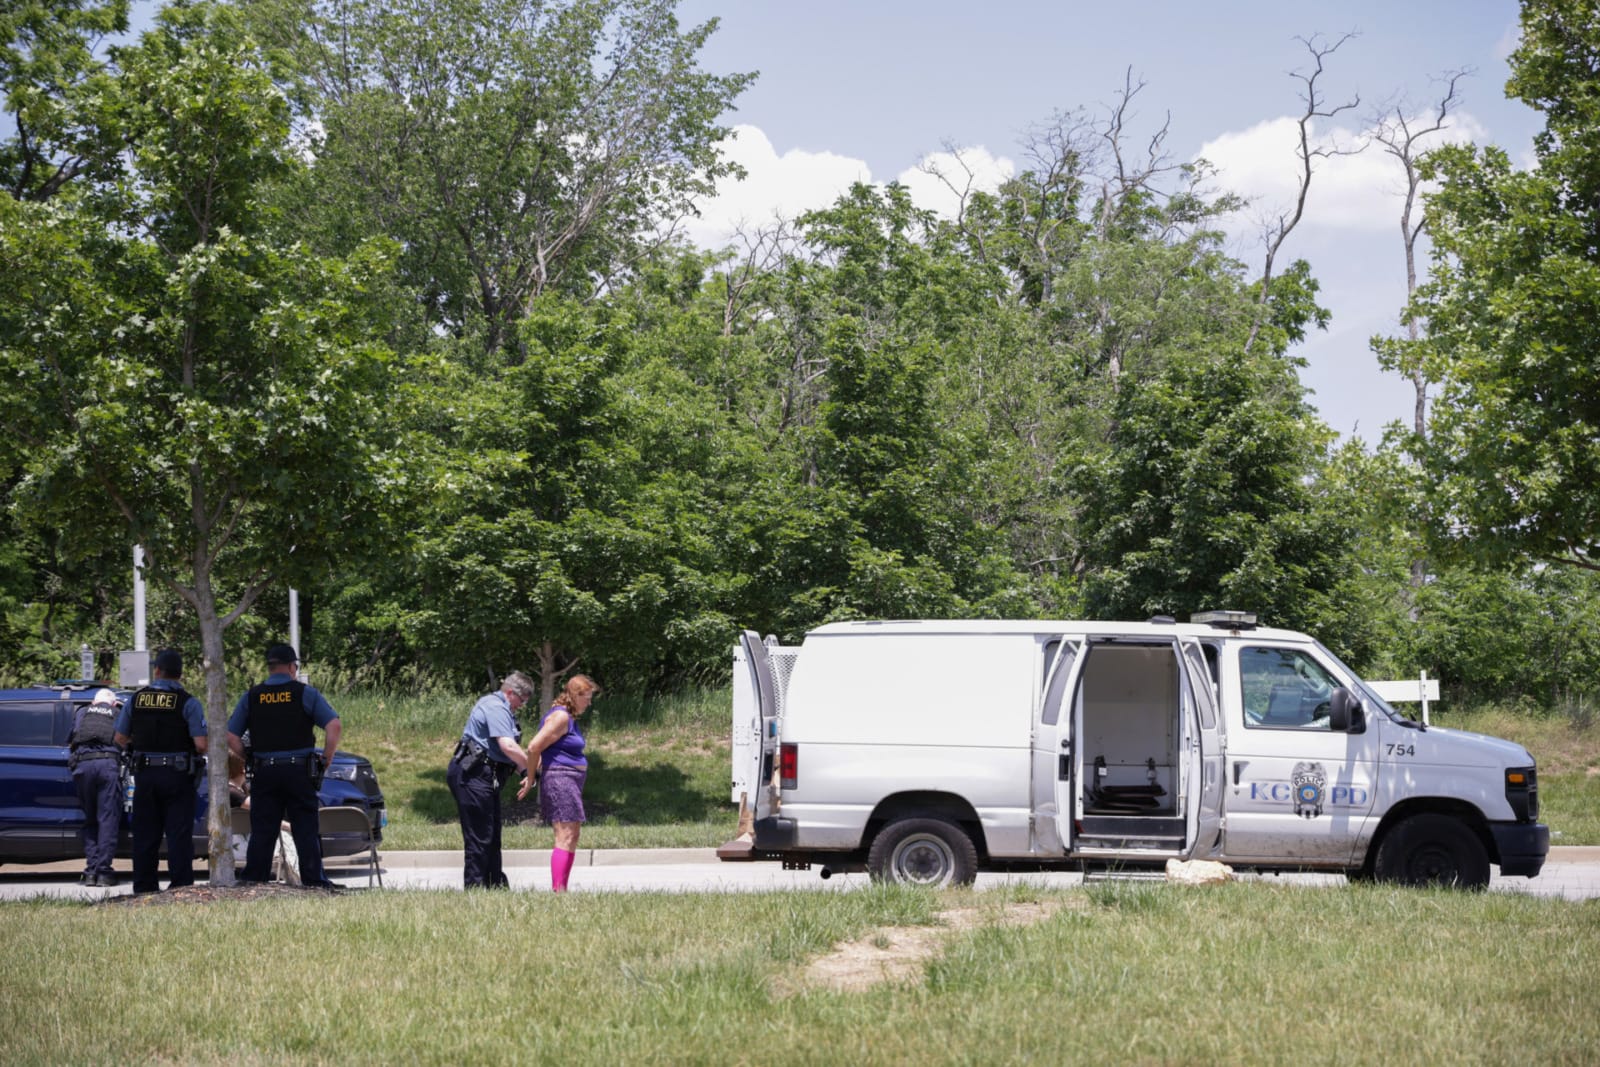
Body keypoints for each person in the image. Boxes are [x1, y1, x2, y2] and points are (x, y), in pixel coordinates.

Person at [226, 643, 341, 889]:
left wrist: (248, 757)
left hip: (265, 770)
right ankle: (314, 882)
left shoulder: (252, 696)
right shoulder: (305, 693)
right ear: (291, 667)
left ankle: (254, 879)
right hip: (299, 771)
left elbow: (231, 735)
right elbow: (334, 725)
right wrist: (327, 758)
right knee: (305, 828)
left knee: (263, 829)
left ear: (269, 667)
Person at [112, 649, 207, 895]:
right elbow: (201, 744)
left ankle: (144, 888)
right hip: (178, 776)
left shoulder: (136, 699)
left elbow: (120, 738)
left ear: (157, 671)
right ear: (180, 674)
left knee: (145, 835)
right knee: (178, 834)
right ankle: (181, 886)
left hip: (145, 777)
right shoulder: (188, 702)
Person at [447, 671, 533, 889]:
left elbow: (503, 753)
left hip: (485, 774)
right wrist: (533, 770)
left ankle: (495, 885)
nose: (521, 706)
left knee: (492, 835)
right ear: (511, 693)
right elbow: (508, 746)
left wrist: (525, 773)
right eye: (521, 700)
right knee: (480, 836)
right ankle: (475, 889)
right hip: (472, 774)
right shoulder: (495, 706)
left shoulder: (503, 709)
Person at [518, 674, 598, 893]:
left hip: (568, 779)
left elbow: (546, 749)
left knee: (572, 834)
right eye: (587, 698)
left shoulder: (566, 718)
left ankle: (562, 888)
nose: (589, 703)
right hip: (561, 780)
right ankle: (558, 891)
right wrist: (532, 776)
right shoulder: (561, 717)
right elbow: (534, 747)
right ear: (575, 695)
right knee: (565, 834)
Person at [69, 687, 125, 887]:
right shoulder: (118, 713)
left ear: (94, 702)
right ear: (113, 704)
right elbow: (124, 740)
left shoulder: (82, 712)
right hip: (107, 766)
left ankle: (90, 872)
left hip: (83, 767)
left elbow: (73, 737)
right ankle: (104, 872)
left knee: (90, 819)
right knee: (107, 819)